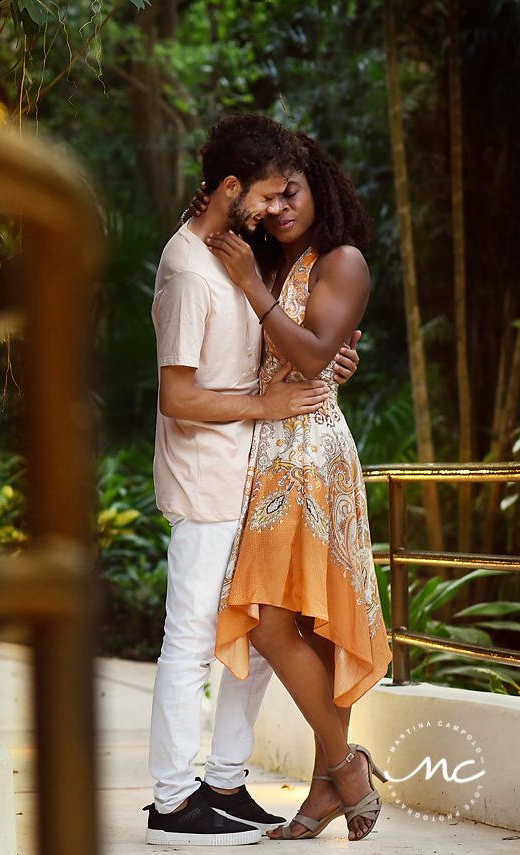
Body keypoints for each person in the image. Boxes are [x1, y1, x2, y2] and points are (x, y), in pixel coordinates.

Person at [146, 114, 339, 847]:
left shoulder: (227, 254)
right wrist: (268, 403)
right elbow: (178, 396)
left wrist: (317, 367)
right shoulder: (187, 270)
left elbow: (248, 354)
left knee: (258, 638)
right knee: (190, 641)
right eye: (262, 194)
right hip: (205, 484)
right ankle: (170, 802)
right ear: (230, 188)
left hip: (247, 475)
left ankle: (223, 780)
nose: (270, 208)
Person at [208, 132, 391, 841]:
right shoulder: (278, 260)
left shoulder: (341, 260)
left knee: (282, 624)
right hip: (271, 452)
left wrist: (255, 291)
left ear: (320, 186)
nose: (280, 206)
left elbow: (314, 355)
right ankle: (329, 785)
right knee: (298, 628)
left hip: (310, 458)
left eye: (292, 191)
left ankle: (344, 768)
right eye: (268, 196)